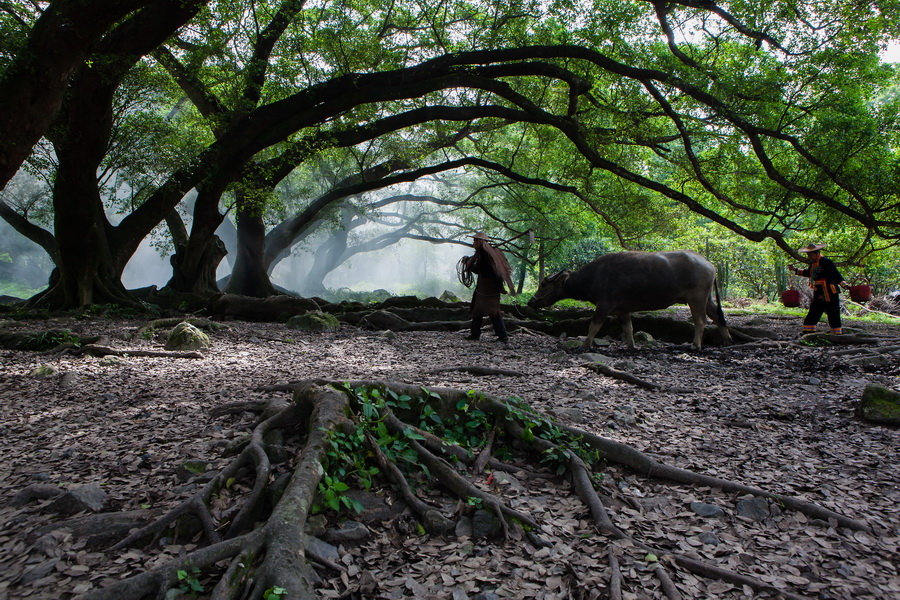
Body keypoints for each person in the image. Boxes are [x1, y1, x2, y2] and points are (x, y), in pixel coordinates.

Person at [458, 232, 516, 342]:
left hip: (489, 289)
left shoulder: (486, 255)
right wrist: (469, 262)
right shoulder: (483, 253)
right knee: (477, 311)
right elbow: (481, 270)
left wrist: (469, 264)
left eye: (476, 240)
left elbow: (483, 271)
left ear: (481, 241)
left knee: (494, 313)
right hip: (483, 288)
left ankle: (502, 336)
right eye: (474, 240)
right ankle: (475, 334)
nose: (474, 242)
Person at [789, 243, 849, 335]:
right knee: (815, 310)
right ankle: (808, 331)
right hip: (819, 291)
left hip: (830, 291)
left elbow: (836, 274)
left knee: (833, 312)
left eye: (810, 254)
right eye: (808, 254)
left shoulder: (827, 262)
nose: (809, 256)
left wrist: (844, 285)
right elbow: (809, 273)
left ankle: (836, 333)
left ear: (817, 253)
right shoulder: (813, 264)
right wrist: (795, 269)